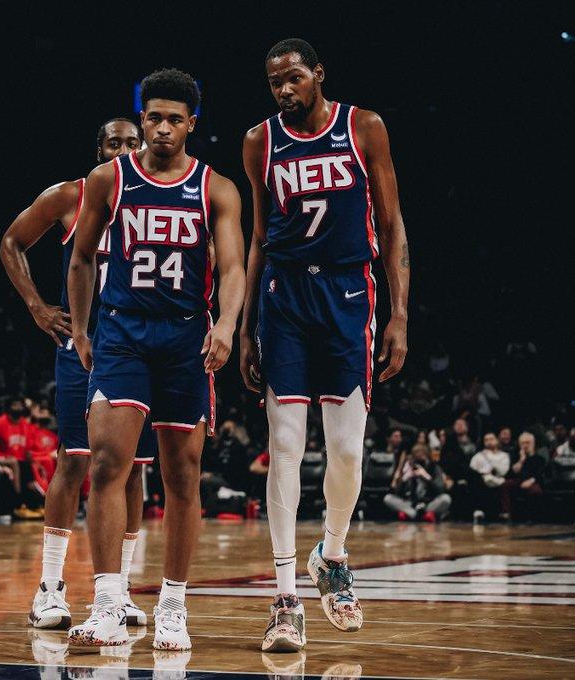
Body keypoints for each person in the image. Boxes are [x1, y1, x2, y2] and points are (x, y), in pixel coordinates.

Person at [240, 38, 409, 651]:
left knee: (346, 452)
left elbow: (391, 225)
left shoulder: (364, 127)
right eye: (274, 82)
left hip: (347, 295)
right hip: (284, 297)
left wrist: (399, 315)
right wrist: (244, 328)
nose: (284, 90)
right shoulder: (259, 140)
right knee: (285, 445)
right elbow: (258, 237)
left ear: (318, 74)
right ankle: (286, 598)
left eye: (293, 78)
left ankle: (331, 556)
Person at [67, 68, 245, 650]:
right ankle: (107, 603)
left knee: (182, 475)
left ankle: (173, 605)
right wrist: (81, 328)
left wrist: (227, 324)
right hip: (122, 332)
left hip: (186, 336)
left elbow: (234, 268)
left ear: (192, 123)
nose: (162, 128)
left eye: (174, 119)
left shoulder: (216, 188)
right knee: (106, 465)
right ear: (141, 120)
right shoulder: (109, 178)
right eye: (153, 118)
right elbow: (82, 258)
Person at [0, 118, 156, 629]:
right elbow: (11, 241)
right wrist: (37, 307)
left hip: (139, 347)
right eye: (114, 143)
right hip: (86, 346)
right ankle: (50, 587)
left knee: (133, 468)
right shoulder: (71, 195)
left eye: (131, 143)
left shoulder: (158, 200)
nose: (123, 150)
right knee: (73, 460)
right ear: (99, 150)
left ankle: (120, 590)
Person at [383, 444, 450, 521]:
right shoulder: (409, 468)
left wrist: (427, 477)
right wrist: (405, 478)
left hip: (428, 503)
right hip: (411, 504)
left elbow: (440, 489)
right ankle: (417, 514)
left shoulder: (434, 467)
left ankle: (414, 515)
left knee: (446, 498)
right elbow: (397, 492)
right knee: (388, 498)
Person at [501, 431, 545, 520]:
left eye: (527, 443)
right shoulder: (515, 457)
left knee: (536, 491)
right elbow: (511, 473)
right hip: (518, 480)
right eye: (522, 443)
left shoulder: (540, 458)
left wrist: (530, 481)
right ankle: (506, 513)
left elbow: (540, 474)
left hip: (533, 481)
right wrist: (521, 460)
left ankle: (532, 517)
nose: (525, 445)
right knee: (505, 485)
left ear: (533, 443)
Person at [469, 432, 510, 521]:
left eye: (491, 439)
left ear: (497, 440)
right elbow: (472, 468)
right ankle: (478, 510)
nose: (489, 442)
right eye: (486, 440)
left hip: (498, 480)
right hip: (482, 481)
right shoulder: (478, 456)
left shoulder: (504, 456)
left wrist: (491, 462)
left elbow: (503, 471)